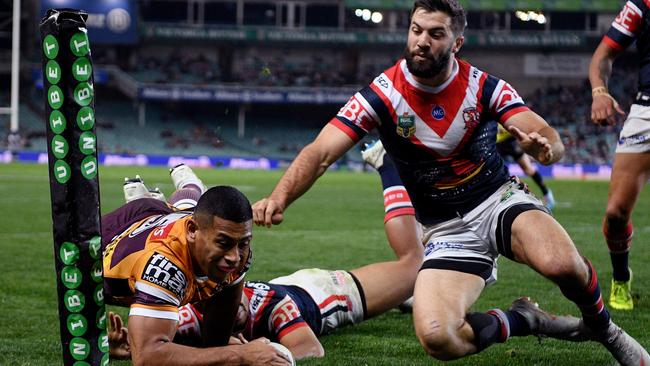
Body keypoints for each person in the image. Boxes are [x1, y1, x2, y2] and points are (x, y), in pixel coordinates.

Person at [252, 1, 649, 364]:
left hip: (498, 202)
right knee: (438, 338)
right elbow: (321, 152)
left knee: (563, 264)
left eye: (435, 34)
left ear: (457, 42)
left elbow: (546, 134)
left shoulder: (484, 87)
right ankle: (525, 319)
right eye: (416, 30)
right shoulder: (382, 95)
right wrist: (279, 197)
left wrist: (544, 148)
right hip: (444, 230)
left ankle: (605, 329)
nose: (422, 41)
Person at [102, 164, 291, 366]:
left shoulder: (235, 250)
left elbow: (214, 344)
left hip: (168, 217)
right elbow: (146, 357)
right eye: (224, 243)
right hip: (118, 230)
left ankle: (183, 188)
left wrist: (225, 349)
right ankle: (182, 185)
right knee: (186, 205)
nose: (235, 257)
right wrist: (242, 355)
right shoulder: (165, 267)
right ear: (192, 231)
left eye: (243, 243)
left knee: (190, 208)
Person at [588, 0, 650, 311]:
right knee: (615, 213)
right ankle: (621, 277)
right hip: (647, 110)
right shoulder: (642, 4)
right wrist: (600, 91)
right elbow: (603, 55)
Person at [496, 124, 555, 210]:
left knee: (528, 170)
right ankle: (500, 198)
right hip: (496, 143)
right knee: (495, 170)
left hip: (511, 140)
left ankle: (547, 193)